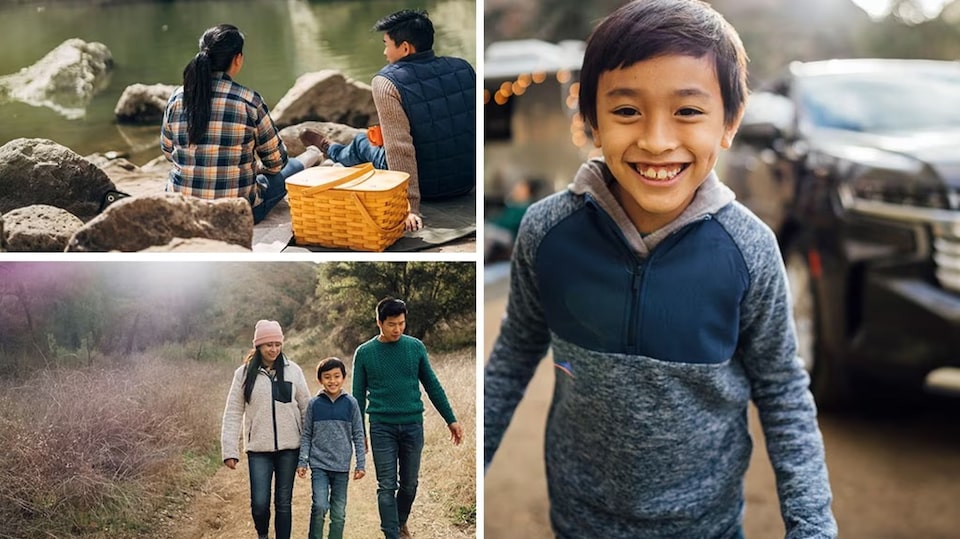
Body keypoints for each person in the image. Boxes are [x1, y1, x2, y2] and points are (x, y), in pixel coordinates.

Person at [483, 1, 838, 538]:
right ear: (592, 122)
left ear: (729, 123)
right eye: (626, 111)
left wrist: (811, 525)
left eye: (688, 111)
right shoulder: (546, 232)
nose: (656, 140)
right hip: (579, 521)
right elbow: (512, 359)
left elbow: (783, 390)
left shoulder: (749, 250)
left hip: (707, 526)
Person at [299, 9, 476, 232]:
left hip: (428, 187)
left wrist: (410, 207)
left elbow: (400, 148)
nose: (384, 52)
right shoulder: (464, 68)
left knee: (363, 143)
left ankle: (330, 148)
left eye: (386, 44)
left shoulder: (387, 82)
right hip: (467, 180)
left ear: (405, 48)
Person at [161, 24, 323, 224]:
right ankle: (314, 154)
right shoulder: (249, 101)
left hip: (183, 209)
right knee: (284, 174)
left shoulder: (177, 97)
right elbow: (277, 163)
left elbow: (169, 152)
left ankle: (314, 154)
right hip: (237, 214)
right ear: (237, 59)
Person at [352, 298, 464, 539]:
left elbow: (432, 385)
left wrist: (450, 419)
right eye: (392, 324)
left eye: (402, 323)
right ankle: (392, 533)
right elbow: (358, 397)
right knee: (386, 486)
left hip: (413, 425)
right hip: (382, 427)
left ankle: (400, 523)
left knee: (410, 485)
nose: (397, 329)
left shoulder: (415, 347)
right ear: (379, 322)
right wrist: (359, 433)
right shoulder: (364, 353)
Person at [221, 320, 310, 539]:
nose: (274, 349)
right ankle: (262, 535)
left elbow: (306, 408)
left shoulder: (293, 371)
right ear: (258, 346)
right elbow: (233, 412)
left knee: (283, 503)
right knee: (260, 503)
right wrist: (229, 450)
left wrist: (309, 448)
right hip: (258, 449)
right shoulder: (242, 374)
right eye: (268, 344)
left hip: (290, 448)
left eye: (277, 344)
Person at [297, 357, 366, 539]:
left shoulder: (351, 403)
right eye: (327, 377)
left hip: (342, 466)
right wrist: (303, 460)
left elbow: (359, 435)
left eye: (336, 376)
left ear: (344, 377)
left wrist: (360, 464)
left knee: (338, 513)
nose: (332, 381)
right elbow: (307, 435)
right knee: (320, 506)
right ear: (320, 380)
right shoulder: (314, 404)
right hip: (319, 465)